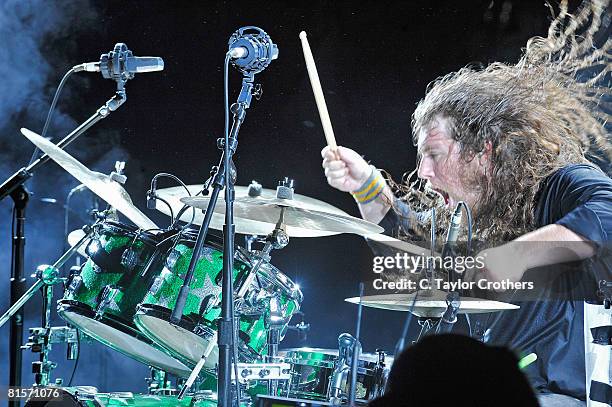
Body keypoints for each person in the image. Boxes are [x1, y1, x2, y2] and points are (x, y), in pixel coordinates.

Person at [321, 1, 611, 405]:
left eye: (434, 154)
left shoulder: (560, 184)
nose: (422, 171)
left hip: (556, 397)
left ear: (483, 151)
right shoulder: (469, 214)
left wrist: (511, 258)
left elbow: (607, 214)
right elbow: (410, 240)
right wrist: (366, 185)